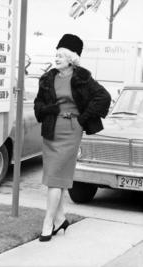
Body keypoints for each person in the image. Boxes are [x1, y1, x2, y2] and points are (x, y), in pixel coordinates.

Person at [34, 34, 111, 242]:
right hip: (51, 130)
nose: (57, 57)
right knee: (54, 178)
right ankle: (60, 220)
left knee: (55, 179)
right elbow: (38, 105)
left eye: (61, 55)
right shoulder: (48, 78)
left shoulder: (82, 77)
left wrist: (82, 119)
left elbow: (103, 97)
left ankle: (48, 222)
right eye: (56, 54)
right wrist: (49, 109)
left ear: (71, 58)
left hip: (71, 130)